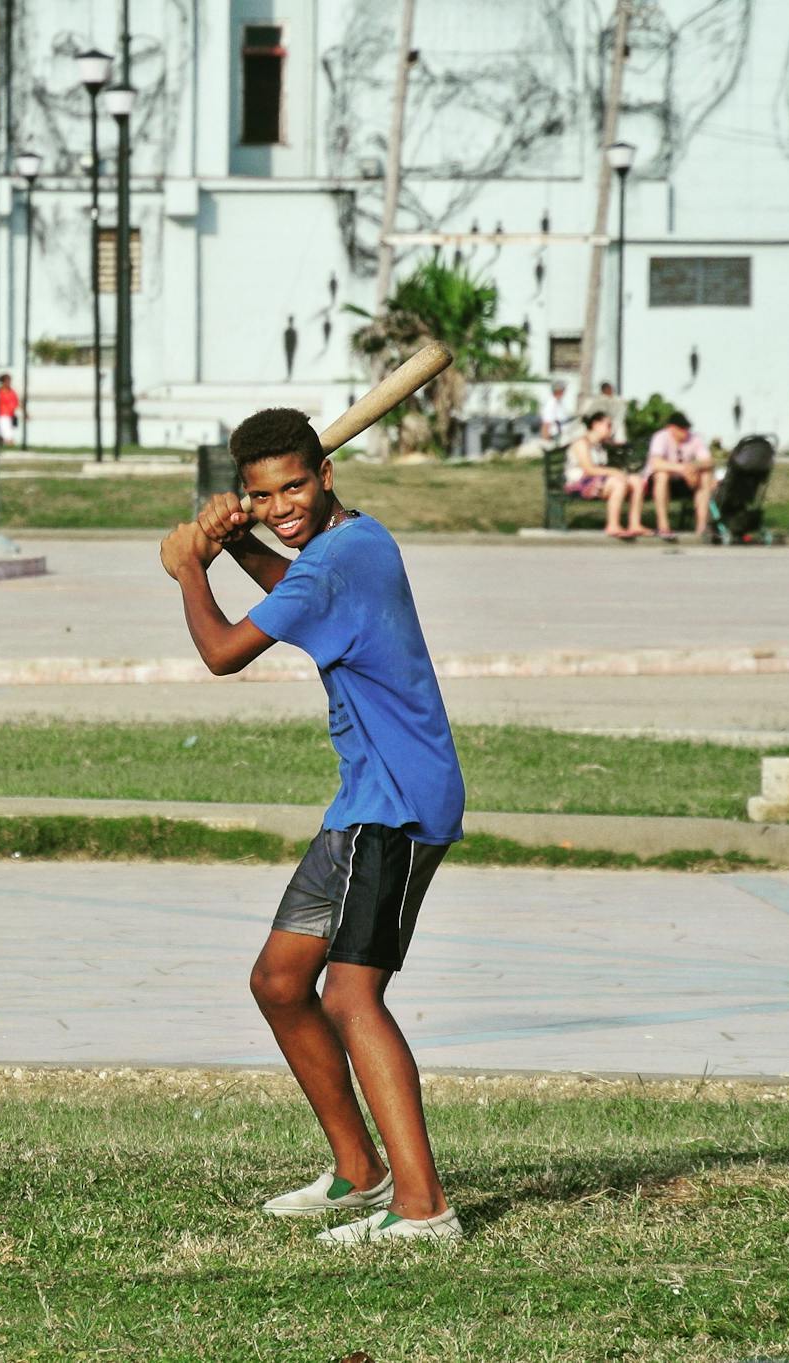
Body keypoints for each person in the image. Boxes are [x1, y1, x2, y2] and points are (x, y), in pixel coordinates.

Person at [158, 407, 466, 1245]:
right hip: (362, 799)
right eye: (264, 494)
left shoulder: (342, 560)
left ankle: (422, 1205)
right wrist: (231, 546)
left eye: (296, 484)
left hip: (399, 805)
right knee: (280, 982)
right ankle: (359, 1173)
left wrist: (192, 567)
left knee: (350, 993)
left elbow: (222, 652)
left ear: (327, 475)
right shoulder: (342, 548)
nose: (284, 503)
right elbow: (293, 586)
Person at [634, 410, 715, 541]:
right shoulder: (661, 437)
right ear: (671, 428)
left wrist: (694, 467)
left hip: (683, 482)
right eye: (681, 428)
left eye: (686, 428)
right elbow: (656, 463)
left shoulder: (695, 439)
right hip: (657, 482)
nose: (685, 431)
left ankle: (701, 526)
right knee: (662, 474)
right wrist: (683, 468)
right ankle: (663, 525)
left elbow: (709, 461)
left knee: (705, 475)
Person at [566, 411, 643, 538]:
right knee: (618, 483)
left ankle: (635, 524)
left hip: (598, 480)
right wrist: (614, 472)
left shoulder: (599, 446)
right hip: (580, 483)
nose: (610, 429)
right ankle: (612, 525)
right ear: (596, 425)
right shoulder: (581, 443)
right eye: (608, 425)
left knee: (636, 480)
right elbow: (589, 469)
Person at [0, 373, 21, 446]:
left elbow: (17, 402)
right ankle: (9, 443)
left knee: (3, 431)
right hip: (2, 414)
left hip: (11, 415)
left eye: (10, 381)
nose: (9, 383)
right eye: (7, 381)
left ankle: (3, 442)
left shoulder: (12, 391)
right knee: (7, 434)